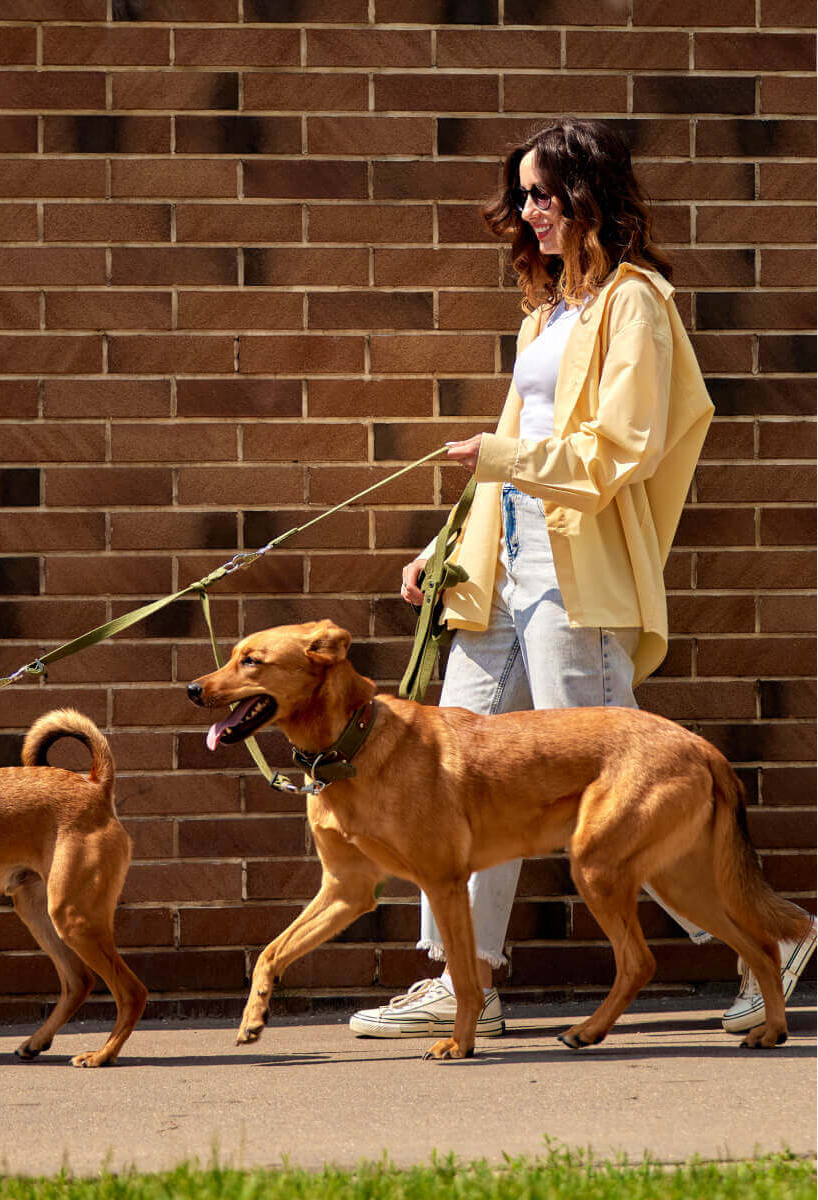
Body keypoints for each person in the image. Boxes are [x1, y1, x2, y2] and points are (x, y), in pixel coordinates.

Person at [349, 117, 816, 1040]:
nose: (528, 212)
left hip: (575, 579)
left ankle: (771, 938)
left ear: (587, 194)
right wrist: (444, 550)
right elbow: (508, 456)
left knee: (622, 791)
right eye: (521, 196)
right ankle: (462, 978)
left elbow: (621, 448)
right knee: (455, 780)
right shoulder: (545, 313)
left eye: (542, 193)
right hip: (498, 580)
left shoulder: (636, 302)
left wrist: (500, 457)